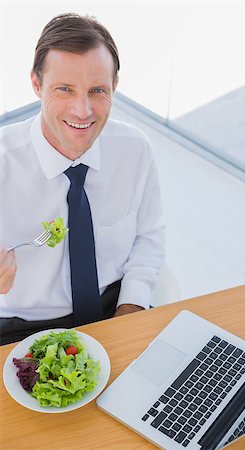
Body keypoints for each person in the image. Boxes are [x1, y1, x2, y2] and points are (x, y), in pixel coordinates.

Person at [0, 13, 165, 345]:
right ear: (36, 84)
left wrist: (131, 307)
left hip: (113, 310)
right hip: (20, 328)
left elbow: (149, 237)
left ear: (115, 86)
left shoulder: (135, 151)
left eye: (97, 90)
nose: (83, 110)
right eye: (64, 89)